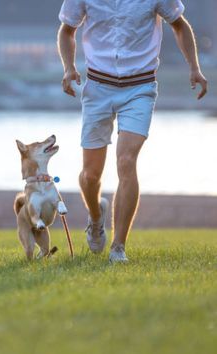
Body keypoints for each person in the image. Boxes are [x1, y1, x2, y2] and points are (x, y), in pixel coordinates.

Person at [57, 0, 207, 263]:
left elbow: (179, 25)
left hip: (140, 88)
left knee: (126, 161)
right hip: (97, 88)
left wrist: (194, 67)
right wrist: (69, 68)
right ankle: (95, 217)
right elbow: (67, 30)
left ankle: (118, 247)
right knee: (90, 175)